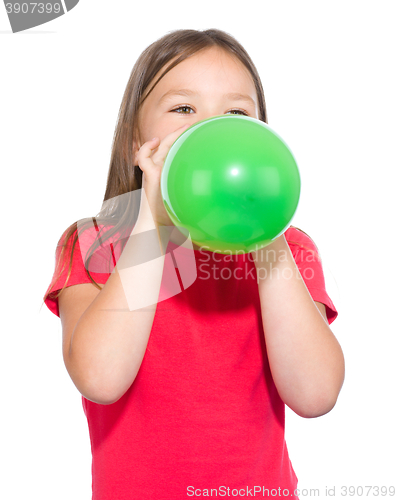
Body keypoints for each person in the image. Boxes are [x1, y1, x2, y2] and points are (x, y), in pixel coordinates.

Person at [43, 28, 345, 500]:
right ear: (135, 146)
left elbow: (315, 395)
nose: (211, 131)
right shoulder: (94, 244)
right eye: (184, 109)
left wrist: (267, 237)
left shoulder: (290, 251)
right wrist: (154, 223)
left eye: (235, 114)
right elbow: (100, 378)